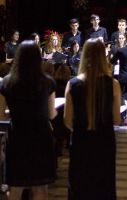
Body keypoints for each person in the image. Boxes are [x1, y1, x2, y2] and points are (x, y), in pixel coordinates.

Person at [64, 38, 121, 200]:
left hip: (81, 142)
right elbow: (116, 120)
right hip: (105, 143)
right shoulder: (113, 85)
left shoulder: (73, 84)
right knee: (103, 187)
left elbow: (68, 121)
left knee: (79, 187)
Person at [0, 40, 57, 200]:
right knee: (40, 189)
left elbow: (1, 115)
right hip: (41, 138)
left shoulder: (7, 82)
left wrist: (16, 111)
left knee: (16, 188)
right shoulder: (47, 82)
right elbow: (51, 115)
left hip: (18, 137)